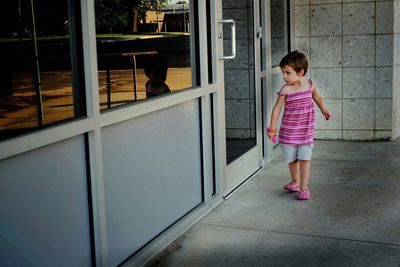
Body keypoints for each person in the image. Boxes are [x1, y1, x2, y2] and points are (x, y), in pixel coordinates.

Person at [267, 51, 331, 200]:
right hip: (289, 132)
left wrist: (324, 109)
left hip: (306, 132)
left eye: (287, 73)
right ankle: (295, 182)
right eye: (283, 73)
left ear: (300, 72)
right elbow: (276, 109)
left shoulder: (310, 85)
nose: (284, 76)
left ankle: (304, 188)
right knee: (292, 160)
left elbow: (318, 98)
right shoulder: (286, 89)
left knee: (304, 159)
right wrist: (272, 128)